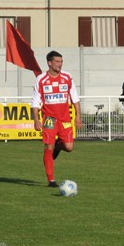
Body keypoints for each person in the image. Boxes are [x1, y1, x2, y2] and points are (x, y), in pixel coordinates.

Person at [32, 50, 82, 188]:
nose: (60, 64)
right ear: (49, 63)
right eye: (57, 61)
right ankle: (51, 180)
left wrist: (78, 116)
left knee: (69, 147)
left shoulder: (67, 77)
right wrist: (36, 119)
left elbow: (75, 98)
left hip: (65, 119)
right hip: (49, 119)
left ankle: (58, 147)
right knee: (48, 146)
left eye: (61, 61)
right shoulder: (41, 79)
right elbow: (36, 101)